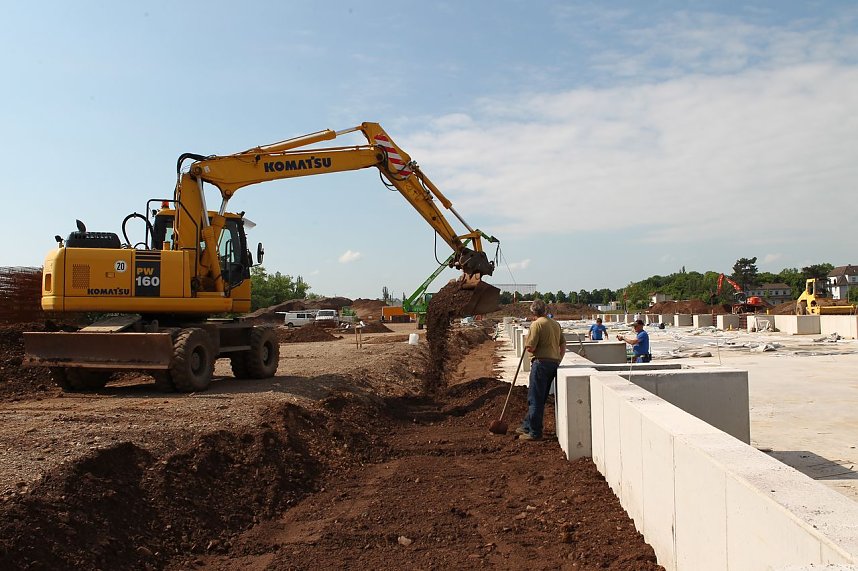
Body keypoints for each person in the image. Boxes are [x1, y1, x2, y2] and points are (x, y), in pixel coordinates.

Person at [516, 299, 566, 441]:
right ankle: (527, 425)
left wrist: (528, 341)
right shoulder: (555, 324)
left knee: (535, 398)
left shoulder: (536, 324)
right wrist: (559, 359)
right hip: (553, 364)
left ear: (533, 312)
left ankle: (534, 432)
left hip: (540, 364)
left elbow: (531, 348)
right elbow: (563, 344)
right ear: (545, 310)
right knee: (541, 397)